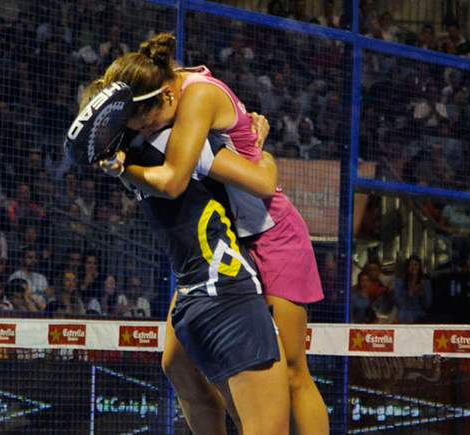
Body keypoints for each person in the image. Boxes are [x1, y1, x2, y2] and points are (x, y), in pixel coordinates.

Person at [100, 32, 328, 434]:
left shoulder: (196, 99)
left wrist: (121, 168)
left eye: (147, 120)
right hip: (226, 241)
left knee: (293, 373)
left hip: (270, 234)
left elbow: (181, 181)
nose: (145, 130)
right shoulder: (166, 89)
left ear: (166, 99)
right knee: (176, 362)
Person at [100, 128, 291, 434]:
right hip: (224, 287)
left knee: (180, 369)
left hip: (202, 289)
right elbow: (264, 181)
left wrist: (122, 166)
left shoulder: (137, 158)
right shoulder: (170, 146)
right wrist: (262, 152)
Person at [394, 255, 432, 323]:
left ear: (419, 267)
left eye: (415, 265)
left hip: (419, 317)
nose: (413, 267)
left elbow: (427, 305)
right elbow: (398, 302)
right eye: (410, 265)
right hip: (403, 316)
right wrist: (411, 292)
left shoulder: (425, 283)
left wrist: (422, 294)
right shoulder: (400, 282)